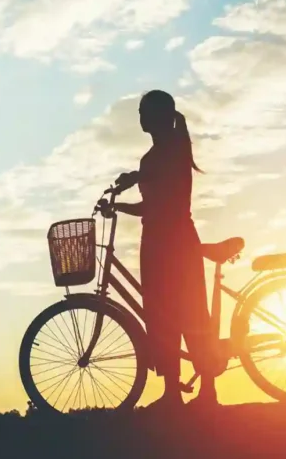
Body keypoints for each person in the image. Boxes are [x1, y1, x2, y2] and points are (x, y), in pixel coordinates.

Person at [97, 90, 221, 409]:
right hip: (163, 242)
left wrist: (133, 182)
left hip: (170, 245)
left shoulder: (170, 152)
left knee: (180, 316)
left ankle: (194, 392)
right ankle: (182, 393)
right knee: (173, 316)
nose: (139, 117)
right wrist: (125, 200)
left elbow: (160, 198)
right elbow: (151, 204)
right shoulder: (161, 154)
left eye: (144, 111)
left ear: (160, 115)